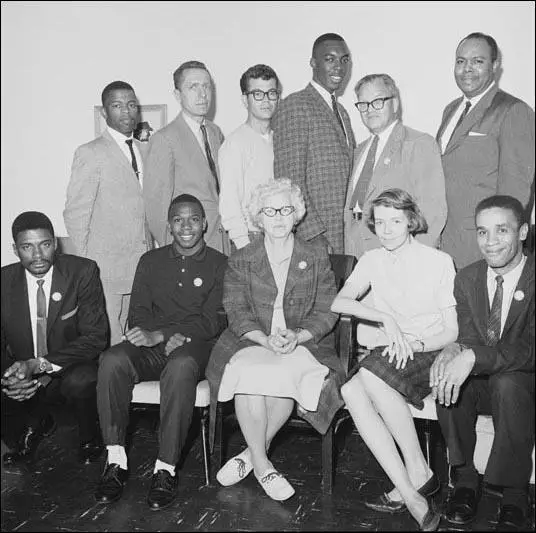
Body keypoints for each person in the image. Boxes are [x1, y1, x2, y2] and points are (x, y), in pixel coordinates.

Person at [206, 178, 344, 501]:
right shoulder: (242, 258)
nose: (279, 217)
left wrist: (297, 335)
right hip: (252, 340)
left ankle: (250, 457)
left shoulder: (316, 254)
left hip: (304, 342)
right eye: (271, 211)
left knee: (284, 376)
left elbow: (328, 309)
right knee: (250, 377)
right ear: (259, 217)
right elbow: (236, 311)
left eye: (286, 209)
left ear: (297, 214)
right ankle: (265, 465)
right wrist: (266, 340)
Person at [331, 189, 458, 531]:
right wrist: (385, 320)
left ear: (411, 222)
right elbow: (339, 302)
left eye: (396, 222)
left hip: (429, 350)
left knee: (365, 381)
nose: (386, 230)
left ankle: (417, 467)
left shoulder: (438, 261)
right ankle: (412, 490)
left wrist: (413, 342)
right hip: (390, 352)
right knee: (350, 392)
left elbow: (451, 331)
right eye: (380, 222)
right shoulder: (372, 259)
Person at [94, 194, 227, 511]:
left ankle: (165, 469)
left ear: (204, 223)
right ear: (169, 225)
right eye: (178, 219)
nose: (186, 226)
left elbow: (216, 319)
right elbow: (138, 313)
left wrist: (169, 334)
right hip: (153, 345)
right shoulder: (150, 262)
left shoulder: (220, 264)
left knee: (180, 366)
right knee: (112, 359)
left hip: (195, 345)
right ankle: (115, 460)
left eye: (193, 218)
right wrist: (155, 336)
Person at [430, 195, 534, 531]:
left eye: (501, 230)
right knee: (448, 376)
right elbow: (470, 336)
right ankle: (464, 480)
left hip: (525, 382)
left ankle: (516, 492)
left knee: (509, 382)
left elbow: (529, 349)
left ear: (522, 232)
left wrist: (474, 356)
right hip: (488, 378)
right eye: (482, 232)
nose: (490, 242)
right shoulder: (468, 278)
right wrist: (455, 349)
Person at [1, 211, 108, 467]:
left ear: (55, 244)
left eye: (45, 245)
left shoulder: (82, 271)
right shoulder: (3, 281)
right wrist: (8, 379)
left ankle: (89, 436)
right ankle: (32, 426)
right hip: (23, 369)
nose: (38, 255)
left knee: (82, 380)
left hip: (69, 365)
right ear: (15, 249)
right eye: (27, 247)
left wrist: (39, 364)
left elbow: (95, 337)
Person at [436, 32, 535, 270]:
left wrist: (498, 247)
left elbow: (515, 193)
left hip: (482, 246)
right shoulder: (451, 109)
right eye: (460, 61)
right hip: (445, 241)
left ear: (495, 66)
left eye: (477, 61)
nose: (466, 68)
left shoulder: (514, 111)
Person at [64, 80, 152, 347]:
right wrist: (89, 267)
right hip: (106, 271)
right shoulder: (90, 152)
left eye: (131, 105)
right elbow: (75, 214)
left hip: (139, 266)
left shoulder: (143, 148)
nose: (126, 112)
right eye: (117, 106)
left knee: (132, 343)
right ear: (104, 113)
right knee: (109, 344)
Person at [344, 74, 446, 258]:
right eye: (363, 104)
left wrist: (412, 262)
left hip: (397, 260)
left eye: (378, 101)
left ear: (396, 104)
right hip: (357, 260)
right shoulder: (358, 152)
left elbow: (433, 214)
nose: (369, 110)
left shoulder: (418, 144)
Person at [272, 33, 356, 254]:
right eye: (330, 59)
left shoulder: (342, 112)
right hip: (318, 240)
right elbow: (289, 181)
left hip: (344, 235)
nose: (339, 67)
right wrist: (313, 235)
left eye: (344, 60)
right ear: (313, 63)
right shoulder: (295, 106)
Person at [144, 60, 228, 254]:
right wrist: (173, 254)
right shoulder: (164, 139)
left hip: (220, 245)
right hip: (187, 249)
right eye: (193, 87)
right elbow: (156, 208)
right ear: (177, 94)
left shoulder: (215, 133)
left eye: (207, 86)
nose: (202, 94)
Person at [218, 64, 280, 251]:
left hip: (280, 237)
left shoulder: (280, 139)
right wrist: (245, 247)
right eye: (258, 94)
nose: (266, 101)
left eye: (271, 93)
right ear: (245, 100)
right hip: (251, 240)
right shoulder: (235, 144)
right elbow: (229, 204)